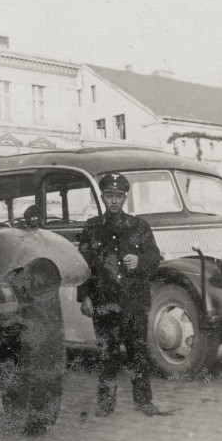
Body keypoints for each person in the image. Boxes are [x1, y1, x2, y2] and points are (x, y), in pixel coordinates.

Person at [78, 172, 163, 417]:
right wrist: (85, 296)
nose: (113, 201)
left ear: (125, 197)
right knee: (107, 355)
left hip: (134, 302)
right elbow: (83, 265)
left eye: (118, 196)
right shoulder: (92, 228)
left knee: (138, 353)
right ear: (102, 198)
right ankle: (105, 405)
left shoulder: (139, 227)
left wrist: (140, 260)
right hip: (104, 302)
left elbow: (155, 259)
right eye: (109, 196)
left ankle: (144, 402)